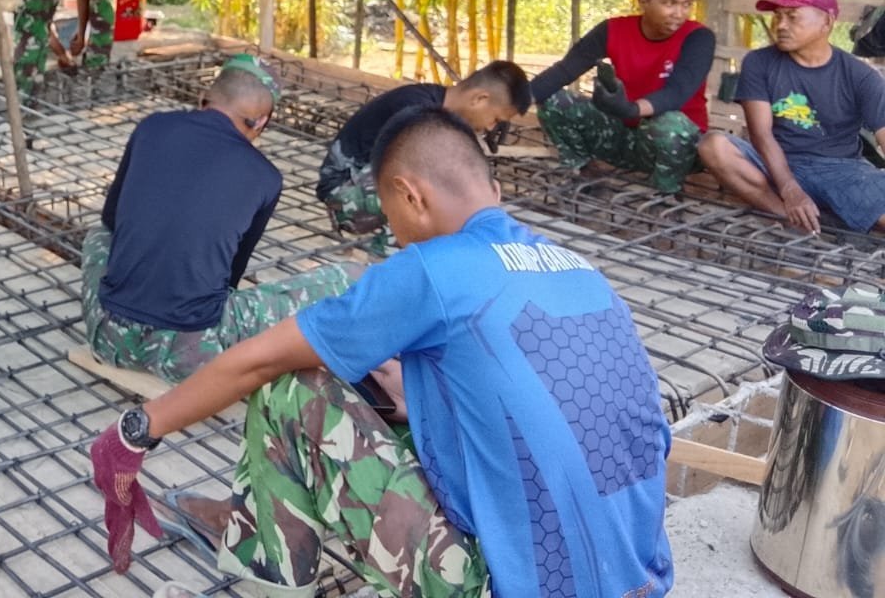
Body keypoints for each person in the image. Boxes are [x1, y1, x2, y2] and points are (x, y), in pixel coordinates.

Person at [91, 107, 672, 598]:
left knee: (292, 388)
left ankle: (268, 573)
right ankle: (249, 523)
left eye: (394, 223)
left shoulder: (433, 269)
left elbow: (258, 360)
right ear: (492, 191)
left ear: (410, 195)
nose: (397, 240)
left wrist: (135, 432)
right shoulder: (582, 272)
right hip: (636, 578)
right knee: (395, 391)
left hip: (501, 587)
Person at [81, 55, 354, 383]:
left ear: (204, 99)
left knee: (97, 236)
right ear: (261, 122)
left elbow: (111, 221)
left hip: (108, 337)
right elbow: (230, 278)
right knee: (346, 278)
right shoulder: (265, 177)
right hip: (192, 356)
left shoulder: (151, 127)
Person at [697, 0, 885, 234]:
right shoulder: (759, 62)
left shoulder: (861, 76)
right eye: (778, 16)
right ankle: (793, 220)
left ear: (826, 22)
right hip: (774, 162)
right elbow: (761, 135)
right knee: (714, 146)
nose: (781, 25)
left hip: (841, 170)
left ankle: (820, 217)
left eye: (792, 17)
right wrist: (790, 189)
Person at [531, 0, 714, 193]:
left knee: (668, 123)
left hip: (680, 148)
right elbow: (565, 70)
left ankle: (666, 194)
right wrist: (513, 103)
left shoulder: (698, 37)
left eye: (686, 4)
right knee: (553, 101)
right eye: (669, 3)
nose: (679, 14)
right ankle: (585, 173)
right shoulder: (613, 30)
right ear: (643, 2)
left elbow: (677, 93)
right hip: (627, 137)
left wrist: (630, 109)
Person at [318, 60, 532, 247]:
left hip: (369, 182)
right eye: (495, 119)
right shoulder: (415, 109)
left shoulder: (437, 110)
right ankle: (388, 255)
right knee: (428, 186)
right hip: (342, 193)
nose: (491, 127)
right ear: (480, 99)